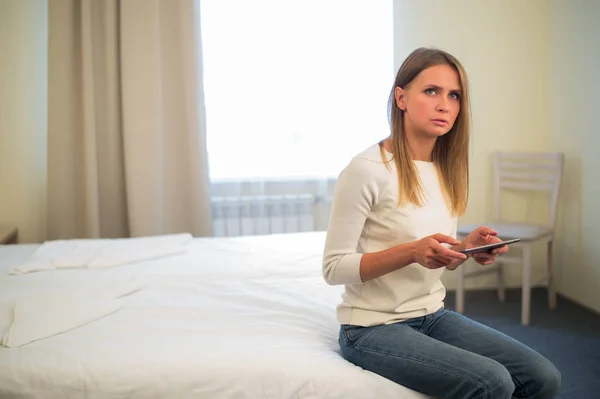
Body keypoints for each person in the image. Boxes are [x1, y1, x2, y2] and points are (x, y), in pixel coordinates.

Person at [322, 47, 561, 399]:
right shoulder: (366, 170)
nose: (444, 104)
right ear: (401, 97)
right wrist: (412, 252)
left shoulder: (447, 168)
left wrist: (466, 247)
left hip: (431, 315)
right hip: (371, 328)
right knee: (493, 382)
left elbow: (432, 248)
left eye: (454, 96)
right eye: (431, 91)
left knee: (544, 377)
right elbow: (333, 268)